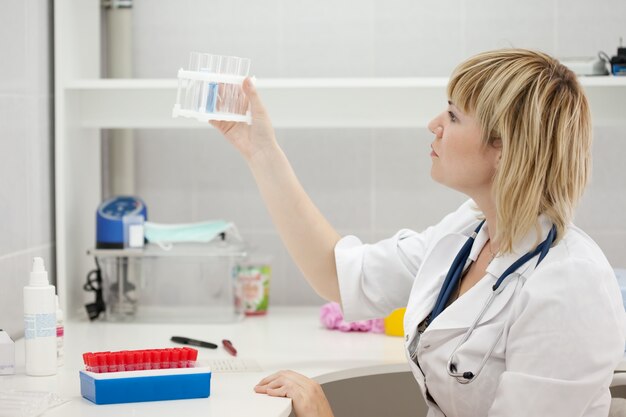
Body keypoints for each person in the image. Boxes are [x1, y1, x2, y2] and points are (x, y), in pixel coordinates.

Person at [211, 49, 626, 417]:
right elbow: (338, 275)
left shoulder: (570, 285)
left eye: (453, 114)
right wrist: (260, 150)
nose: (434, 124)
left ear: (504, 147)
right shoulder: (468, 232)